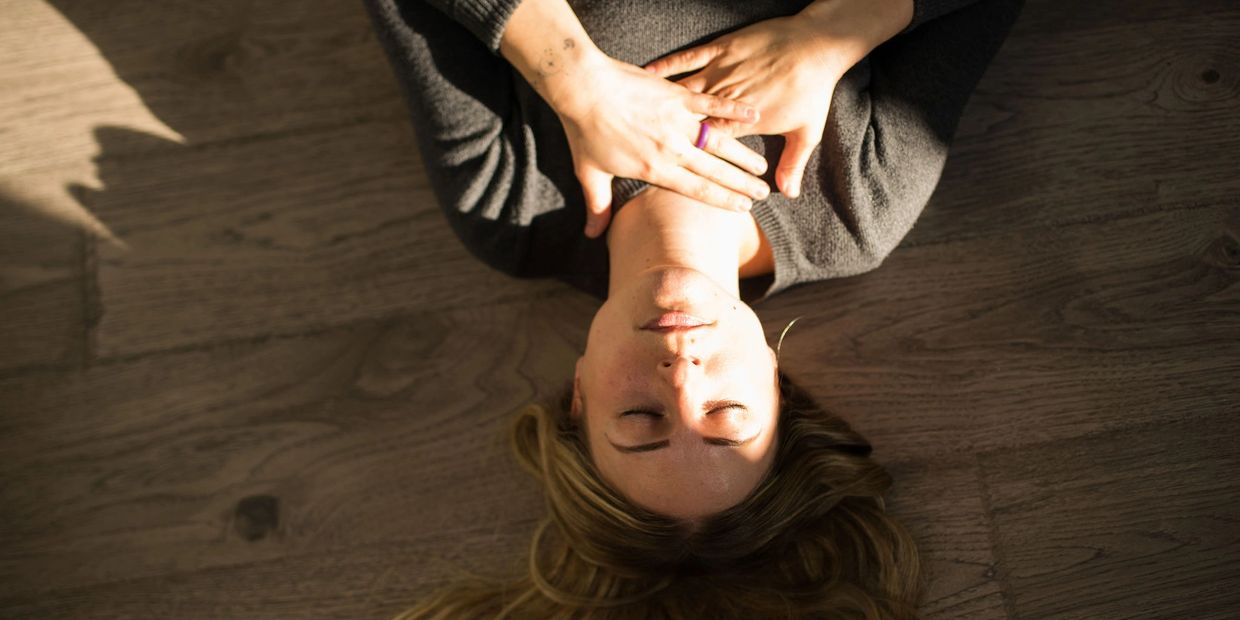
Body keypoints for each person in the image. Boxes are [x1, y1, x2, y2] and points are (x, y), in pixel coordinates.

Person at [363, 0, 1021, 616]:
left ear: (581, 397)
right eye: (725, 413)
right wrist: (838, 27)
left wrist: (573, 78)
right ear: (776, 385)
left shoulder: (509, 207)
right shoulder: (858, 206)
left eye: (641, 416)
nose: (681, 375)